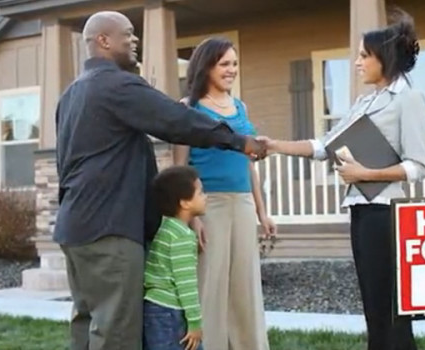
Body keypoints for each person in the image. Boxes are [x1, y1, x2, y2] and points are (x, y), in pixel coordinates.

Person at [54, 11, 266, 350]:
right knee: (117, 333)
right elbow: (176, 120)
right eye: (127, 34)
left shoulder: (72, 94)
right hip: (111, 230)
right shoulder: (117, 85)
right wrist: (239, 141)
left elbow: (63, 164)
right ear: (103, 41)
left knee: (88, 324)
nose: (135, 39)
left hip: (75, 229)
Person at [257, 8, 425, 350]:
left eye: (364, 55)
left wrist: (367, 173)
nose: (357, 62)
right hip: (361, 211)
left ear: (385, 58)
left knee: (389, 305)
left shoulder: (408, 99)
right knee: (373, 305)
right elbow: (324, 146)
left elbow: (418, 165)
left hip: (386, 213)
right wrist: (274, 145)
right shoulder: (365, 102)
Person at [173, 37, 275, 350]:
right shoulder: (189, 108)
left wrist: (261, 212)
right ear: (207, 66)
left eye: (234, 64)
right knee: (211, 284)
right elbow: (180, 167)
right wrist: (192, 218)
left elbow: (249, 164)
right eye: (224, 64)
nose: (231, 70)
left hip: (242, 203)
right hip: (208, 205)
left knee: (245, 284)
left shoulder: (240, 106)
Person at [144, 166, 207, 350]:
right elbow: (185, 284)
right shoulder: (182, 237)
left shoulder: (164, 229)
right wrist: (195, 322)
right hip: (170, 312)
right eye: (200, 192)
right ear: (185, 203)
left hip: (153, 307)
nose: (205, 197)